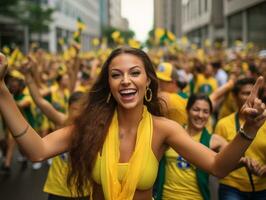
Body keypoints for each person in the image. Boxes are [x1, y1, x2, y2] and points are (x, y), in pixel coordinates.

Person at [0, 47, 265, 200]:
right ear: (110, 85)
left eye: (134, 73)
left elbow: (218, 166)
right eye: (117, 75)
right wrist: (2, 92)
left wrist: (249, 129)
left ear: (148, 81)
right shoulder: (90, 127)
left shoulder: (165, 129)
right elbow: (36, 150)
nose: (126, 80)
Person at [154, 93, 259, 200]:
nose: (200, 115)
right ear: (187, 110)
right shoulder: (172, 134)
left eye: (205, 112)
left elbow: (225, 164)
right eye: (196, 109)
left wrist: (244, 161)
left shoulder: (215, 141)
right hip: (165, 197)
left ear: (209, 115)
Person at [215, 77, 266, 200]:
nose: (250, 97)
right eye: (245, 93)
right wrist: (242, 162)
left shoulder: (264, 122)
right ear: (234, 96)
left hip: (262, 187)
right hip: (231, 187)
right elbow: (217, 161)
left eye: (252, 93)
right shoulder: (223, 124)